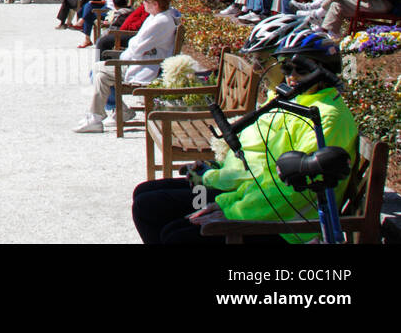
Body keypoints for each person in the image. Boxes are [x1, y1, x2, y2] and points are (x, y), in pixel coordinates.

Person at [130, 30, 358, 244]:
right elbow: (267, 174)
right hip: (263, 207)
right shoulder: (301, 104)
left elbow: (297, 190)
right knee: (153, 208)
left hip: (288, 228)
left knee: (172, 231)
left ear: (326, 70)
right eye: (287, 69)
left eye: (302, 69)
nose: (292, 77)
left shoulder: (324, 117)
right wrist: (226, 198)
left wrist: (232, 210)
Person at [74, 0, 179, 133]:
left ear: (155, 4)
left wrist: (123, 57)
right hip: (140, 62)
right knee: (98, 72)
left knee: (99, 73)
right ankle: (102, 115)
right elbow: (136, 44)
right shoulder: (159, 17)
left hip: (144, 66)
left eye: (146, 0)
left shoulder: (160, 21)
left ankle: (100, 116)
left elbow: (136, 47)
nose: (143, 3)